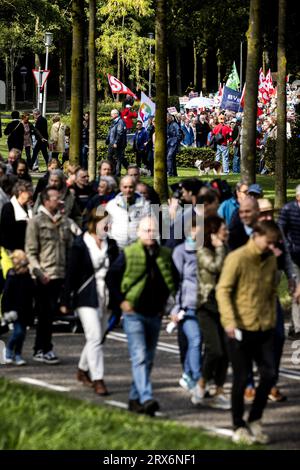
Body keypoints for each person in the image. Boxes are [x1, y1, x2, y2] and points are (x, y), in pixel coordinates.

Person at [216, 220, 281, 445]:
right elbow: (223, 291)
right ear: (257, 236)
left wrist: (272, 318)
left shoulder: (271, 259)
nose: (272, 247)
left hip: (264, 327)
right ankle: (238, 425)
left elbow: (272, 291)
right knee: (242, 378)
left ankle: (255, 419)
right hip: (239, 328)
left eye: (275, 243)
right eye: (269, 242)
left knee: (270, 374)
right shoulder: (238, 258)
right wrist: (229, 322)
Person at [106, 216, 177, 415]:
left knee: (149, 358)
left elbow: (172, 280)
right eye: (146, 230)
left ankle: (134, 398)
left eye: (153, 230)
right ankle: (146, 397)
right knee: (139, 356)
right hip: (134, 313)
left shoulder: (164, 254)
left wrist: (169, 306)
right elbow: (112, 277)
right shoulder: (129, 253)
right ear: (138, 232)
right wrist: (121, 301)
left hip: (155, 313)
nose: (150, 234)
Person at [61, 209, 119, 395]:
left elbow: (117, 272)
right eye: (105, 223)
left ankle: (81, 369)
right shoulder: (80, 245)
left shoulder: (112, 245)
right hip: (86, 295)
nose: (108, 226)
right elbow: (71, 274)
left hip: (107, 295)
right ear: (94, 223)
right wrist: (65, 299)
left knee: (99, 337)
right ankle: (98, 379)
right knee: (94, 336)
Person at [25, 186, 74, 364]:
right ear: (46, 201)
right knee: (45, 314)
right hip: (44, 275)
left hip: (60, 273)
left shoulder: (64, 222)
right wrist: (38, 271)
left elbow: (71, 245)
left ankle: (45, 347)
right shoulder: (36, 222)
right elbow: (30, 251)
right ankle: (42, 348)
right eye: (55, 198)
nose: (59, 201)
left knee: (51, 314)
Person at [194, 216, 230, 409]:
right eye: (223, 229)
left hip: (224, 306)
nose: (227, 231)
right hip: (206, 306)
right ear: (213, 232)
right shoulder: (203, 251)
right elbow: (216, 266)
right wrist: (219, 247)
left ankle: (219, 390)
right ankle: (201, 383)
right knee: (214, 349)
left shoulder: (226, 248)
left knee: (225, 351)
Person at [171, 217, 202, 395]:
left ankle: (188, 373)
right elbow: (176, 282)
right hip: (186, 306)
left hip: (203, 306)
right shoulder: (180, 252)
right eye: (194, 230)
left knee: (197, 343)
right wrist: (175, 308)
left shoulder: (204, 251)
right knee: (195, 340)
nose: (197, 233)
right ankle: (198, 379)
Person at [1, 250, 34, 365]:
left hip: (25, 311)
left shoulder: (27, 278)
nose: (26, 268)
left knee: (22, 335)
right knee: (18, 332)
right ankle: (9, 350)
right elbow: (6, 297)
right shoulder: (11, 278)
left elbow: (31, 294)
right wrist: (6, 311)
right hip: (14, 311)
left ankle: (18, 354)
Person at [278, 185, 300, 339]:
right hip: (294, 256)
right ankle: (298, 329)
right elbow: (280, 231)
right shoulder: (288, 209)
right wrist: (288, 247)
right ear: (298, 197)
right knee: (298, 290)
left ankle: (294, 325)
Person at [105, 175, 150, 249]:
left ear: (135, 188)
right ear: (120, 187)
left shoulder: (145, 205)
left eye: (131, 187)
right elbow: (105, 227)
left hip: (138, 247)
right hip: (117, 247)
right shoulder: (111, 205)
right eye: (125, 187)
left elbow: (150, 226)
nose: (128, 190)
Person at [0, 180, 33, 251]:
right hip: (13, 249)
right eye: (28, 191)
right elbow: (7, 229)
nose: (31, 194)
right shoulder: (8, 207)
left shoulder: (28, 207)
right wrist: (25, 223)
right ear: (20, 192)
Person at [106, 109, 128, 177]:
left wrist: (116, 142)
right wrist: (107, 140)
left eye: (112, 114)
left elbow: (120, 133)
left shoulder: (120, 122)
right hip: (111, 143)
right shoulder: (114, 121)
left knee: (118, 158)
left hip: (118, 143)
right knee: (110, 157)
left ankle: (117, 173)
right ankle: (114, 171)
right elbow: (111, 131)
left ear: (116, 114)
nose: (111, 115)